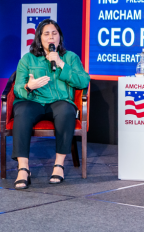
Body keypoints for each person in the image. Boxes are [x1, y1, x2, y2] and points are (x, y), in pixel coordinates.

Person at [11, 19, 90, 189]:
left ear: (60, 37)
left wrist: (61, 64)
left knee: (66, 111)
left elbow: (84, 81)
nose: (51, 37)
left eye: (54, 33)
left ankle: (59, 165)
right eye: (46, 34)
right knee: (22, 112)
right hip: (33, 100)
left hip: (59, 101)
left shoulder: (70, 57)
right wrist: (28, 87)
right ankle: (23, 168)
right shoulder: (28, 59)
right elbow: (17, 88)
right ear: (39, 38)